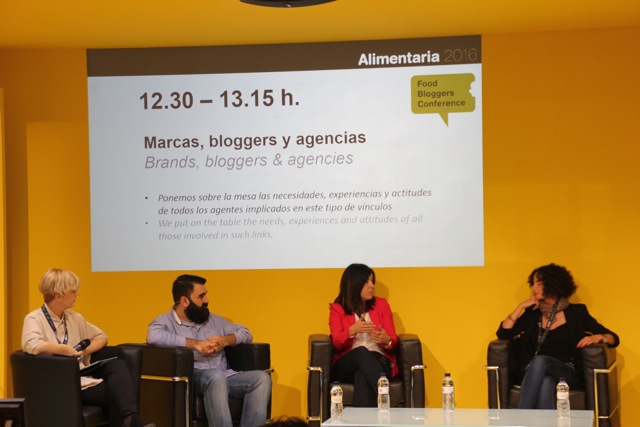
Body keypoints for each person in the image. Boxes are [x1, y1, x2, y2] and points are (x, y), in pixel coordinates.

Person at [21, 268, 154, 427]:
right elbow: (33, 346)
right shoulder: (34, 319)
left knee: (117, 365)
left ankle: (132, 421)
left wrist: (84, 351)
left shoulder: (74, 318)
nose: (77, 294)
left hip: (81, 374)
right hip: (60, 382)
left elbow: (102, 337)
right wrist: (65, 350)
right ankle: (133, 422)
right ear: (58, 296)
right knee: (119, 393)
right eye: (73, 291)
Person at [147, 274, 271, 427]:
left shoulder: (214, 320)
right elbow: (153, 336)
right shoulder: (166, 321)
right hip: (193, 377)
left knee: (261, 378)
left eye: (206, 294)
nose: (206, 300)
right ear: (185, 301)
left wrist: (225, 340)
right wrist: (195, 344)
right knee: (215, 377)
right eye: (201, 296)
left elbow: (246, 333)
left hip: (225, 376)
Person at [497, 263, 620, 409]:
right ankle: (545, 420)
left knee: (541, 361)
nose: (534, 288)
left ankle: (521, 415)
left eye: (539, 283)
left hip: (566, 372)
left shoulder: (577, 313)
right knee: (546, 381)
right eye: (533, 283)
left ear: (554, 284)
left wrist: (598, 337)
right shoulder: (533, 313)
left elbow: (614, 338)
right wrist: (521, 307)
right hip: (532, 372)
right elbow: (503, 333)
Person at [329, 263, 398, 407]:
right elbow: (337, 343)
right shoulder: (338, 309)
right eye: (367, 282)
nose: (372, 285)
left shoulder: (381, 305)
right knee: (361, 352)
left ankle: (364, 418)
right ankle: (387, 400)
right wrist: (351, 331)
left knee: (362, 376)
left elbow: (393, 340)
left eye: (372, 281)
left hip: (377, 359)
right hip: (347, 363)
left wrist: (386, 340)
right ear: (354, 284)